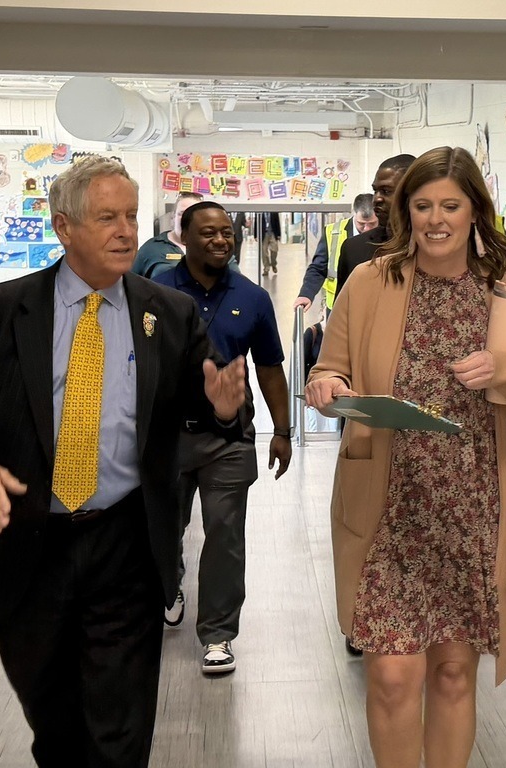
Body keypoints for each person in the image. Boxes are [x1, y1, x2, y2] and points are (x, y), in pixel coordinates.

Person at [0, 157, 247, 768]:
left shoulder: (167, 314)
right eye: (107, 218)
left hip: (125, 543)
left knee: (120, 734)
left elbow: (207, 400)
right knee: (57, 730)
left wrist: (222, 408)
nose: (126, 231)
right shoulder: (1, 313)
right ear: (64, 227)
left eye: (132, 217)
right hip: (31, 547)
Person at [305, 146, 506, 768]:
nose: (435, 219)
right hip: (390, 509)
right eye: (422, 205)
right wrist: (330, 386)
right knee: (392, 675)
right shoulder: (370, 282)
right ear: (406, 212)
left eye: (450, 206)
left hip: (474, 510)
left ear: (474, 210)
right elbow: (329, 369)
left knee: (454, 673)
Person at [154, 201, 292, 674]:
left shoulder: (252, 298)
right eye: (208, 233)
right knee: (163, 527)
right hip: (168, 437)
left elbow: (269, 368)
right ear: (183, 238)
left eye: (226, 233)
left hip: (229, 438)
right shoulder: (155, 291)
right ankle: (169, 582)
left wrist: (282, 430)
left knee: (225, 535)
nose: (220, 240)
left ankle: (217, 634)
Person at [335, 155, 417, 293]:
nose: (377, 199)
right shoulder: (354, 249)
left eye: (386, 191)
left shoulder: (433, 249)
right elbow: (345, 304)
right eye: (375, 191)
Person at [294, 193, 377, 315]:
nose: (367, 229)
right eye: (361, 224)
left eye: (372, 224)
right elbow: (318, 268)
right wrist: (306, 294)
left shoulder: (387, 234)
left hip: (373, 307)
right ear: (354, 214)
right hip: (338, 306)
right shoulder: (333, 232)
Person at [131, 191, 202, 278]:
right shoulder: (151, 248)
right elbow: (129, 281)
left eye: (194, 214)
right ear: (173, 218)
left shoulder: (209, 248)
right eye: (182, 213)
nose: (187, 218)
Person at [259, 210, 282, 276]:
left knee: (275, 250)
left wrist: (279, 234)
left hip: (272, 233)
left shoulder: (273, 210)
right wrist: (255, 235)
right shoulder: (260, 211)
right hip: (264, 234)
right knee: (264, 252)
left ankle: (273, 264)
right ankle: (266, 268)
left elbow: (277, 222)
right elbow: (256, 223)